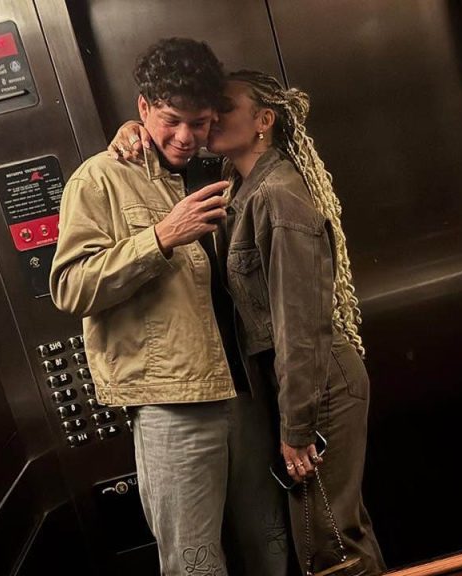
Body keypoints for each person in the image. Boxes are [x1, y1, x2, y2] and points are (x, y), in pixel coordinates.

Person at [110, 70, 385, 575]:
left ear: (263, 120)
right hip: (292, 384)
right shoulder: (236, 184)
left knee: (330, 540)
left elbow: (300, 325)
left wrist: (297, 426)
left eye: (224, 108)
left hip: (317, 384)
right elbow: (163, 147)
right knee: (323, 533)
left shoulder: (277, 194)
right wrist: (134, 130)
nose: (211, 118)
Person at [50, 39, 289, 576]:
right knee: (194, 564)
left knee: (270, 549)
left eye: (199, 122)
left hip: (246, 393)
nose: (185, 137)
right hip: (172, 403)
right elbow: (69, 287)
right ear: (143, 108)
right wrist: (159, 238)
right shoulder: (101, 178)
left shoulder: (218, 169)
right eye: (170, 121)